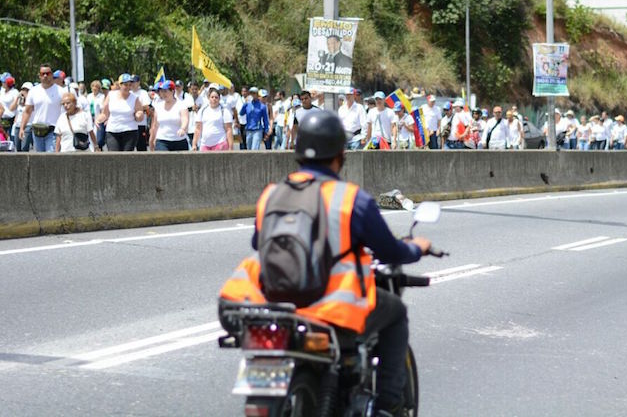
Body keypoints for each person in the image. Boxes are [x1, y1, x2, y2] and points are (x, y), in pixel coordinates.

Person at [219, 111, 431, 417]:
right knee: (396, 313)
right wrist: (416, 248)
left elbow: (258, 242)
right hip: (332, 310)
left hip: (275, 306)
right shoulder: (351, 199)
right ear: (340, 155)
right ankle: (388, 407)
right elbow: (390, 251)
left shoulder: (271, 195)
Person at [19, 64, 65, 152]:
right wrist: (22, 128)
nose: (45, 76)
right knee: (39, 161)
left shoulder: (60, 91)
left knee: (51, 157)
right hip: (37, 131)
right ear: (39, 76)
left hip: (53, 131)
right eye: (43, 73)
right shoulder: (33, 91)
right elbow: (27, 111)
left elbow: (68, 110)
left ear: (51, 75)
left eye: (48, 73)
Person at [97, 74, 144, 151]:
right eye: (125, 85)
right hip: (113, 131)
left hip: (130, 131)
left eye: (130, 85)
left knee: (126, 158)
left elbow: (139, 112)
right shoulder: (111, 95)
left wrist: (139, 115)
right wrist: (98, 120)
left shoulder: (135, 98)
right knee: (114, 157)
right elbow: (105, 114)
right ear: (120, 85)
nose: (128, 87)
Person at [149, 80, 190, 151]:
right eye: (161, 91)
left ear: (172, 91)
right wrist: (152, 139)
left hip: (179, 140)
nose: (163, 93)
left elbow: (185, 119)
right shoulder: (158, 106)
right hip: (162, 140)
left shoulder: (181, 105)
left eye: (165, 91)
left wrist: (183, 128)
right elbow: (155, 125)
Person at [193, 87, 234, 151]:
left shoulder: (224, 111)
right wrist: (194, 144)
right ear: (209, 98)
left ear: (219, 99)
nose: (214, 99)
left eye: (216, 97)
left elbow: (229, 130)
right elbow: (198, 129)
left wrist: (231, 147)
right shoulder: (202, 110)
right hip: (205, 144)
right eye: (212, 97)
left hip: (220, 143)